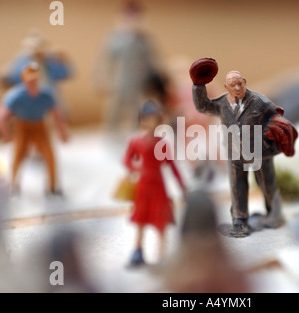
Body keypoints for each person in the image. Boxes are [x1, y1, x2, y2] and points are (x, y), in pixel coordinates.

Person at [191, 61, 298, 238]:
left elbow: (278, 116)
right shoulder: (223, 103)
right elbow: (203, 106)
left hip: (260, 152)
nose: (237, 86)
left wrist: (269, 139)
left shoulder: (260, 102)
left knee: (266, 183)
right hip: (235, 153)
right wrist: (198, 86)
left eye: (240, 82)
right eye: (233, 84)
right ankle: (240, 220)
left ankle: (274, 213)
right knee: (237, 186)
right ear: (226, 87)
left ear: (245, 81)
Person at [123, 100, 185, 266]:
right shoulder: (136, 141)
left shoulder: (162, 144)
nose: (150, 122)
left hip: (158, 186)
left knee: (160, 220)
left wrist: (182, 186)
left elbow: (172, 166)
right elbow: (127, 160)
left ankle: (161, 254)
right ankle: (138, 250)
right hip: (143, 186)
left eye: (153, 119)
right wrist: (136, 168)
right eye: (146, 119)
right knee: (141, 219)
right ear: (141, 120)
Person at [0, 62, 69, 196]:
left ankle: (52, 187)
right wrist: (6, 135)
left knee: (49, 155)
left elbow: (57, 115)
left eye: (35, 78)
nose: (33, 82)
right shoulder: (16, 96)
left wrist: (62, 132)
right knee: (19, 155)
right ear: (23, 79)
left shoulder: (46, 94)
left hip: (40, 126)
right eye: (30, 79)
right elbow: (0, 116)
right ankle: (13, 185)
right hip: (23, 127)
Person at [95, 0, 166, 134]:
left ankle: (137, 138)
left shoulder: (145, 40)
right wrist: (101, 79)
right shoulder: (114, 38)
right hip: (118, 84)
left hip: (139, 85)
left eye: (137, 16)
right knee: (114, 113)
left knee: (138, 114)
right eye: (129, 16)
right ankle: (109, 137)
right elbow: (104, 61)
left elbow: (154, 61)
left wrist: (160, 79)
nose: (133, 20)